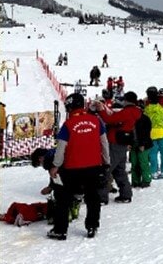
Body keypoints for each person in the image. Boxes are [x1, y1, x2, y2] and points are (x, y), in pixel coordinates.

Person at [47, 93, 110, 240]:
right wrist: (106, 161)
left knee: (63, 199)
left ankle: (60, 230)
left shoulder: (68, 125)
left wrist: (56, 165)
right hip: (94, 166)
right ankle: (92, 226)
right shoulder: (96, 121)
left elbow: (61, 147)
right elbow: (104, 143)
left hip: (72, 168)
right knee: (93, 197)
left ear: (69, 106)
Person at [93, 91, 141, 204]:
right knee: (119, 170)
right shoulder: (135, 112)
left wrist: (100, 110)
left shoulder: (127, 112)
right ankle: (126, 194)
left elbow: (110, 119)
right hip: (122, 143)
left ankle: (101, 198)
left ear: (127, 101)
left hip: (114, 143)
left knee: (106, 170)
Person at [144, 87, 163, 178]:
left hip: (151, 134)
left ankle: (153, 171)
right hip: (162, 133)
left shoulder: (146, 110)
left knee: (153, 153)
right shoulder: (161, 110)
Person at [130, 100, 152, 188]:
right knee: (134, 163)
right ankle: (135, 181)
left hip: (143, 144)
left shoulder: (145, 119)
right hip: (133, 143)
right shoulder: (131, 118)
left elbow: (146, 133)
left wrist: (143, 144)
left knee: (143, 163)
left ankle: (146, 180)